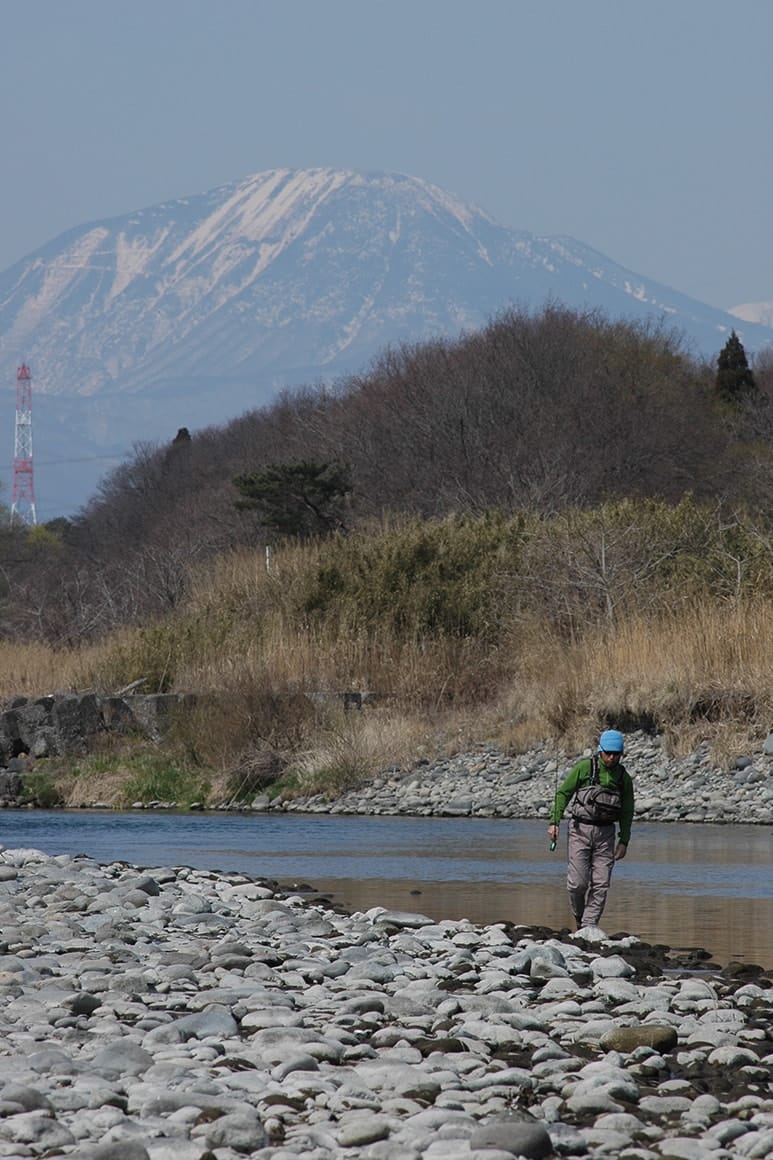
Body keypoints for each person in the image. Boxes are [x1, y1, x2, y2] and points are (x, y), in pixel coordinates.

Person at [547, 728, 634, 930]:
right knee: (578, 884)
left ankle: (588, 925)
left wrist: (624, 840)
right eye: (608, 753)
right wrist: (554, 822)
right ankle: (579, 917)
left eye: (616, 754)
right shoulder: (584, 768)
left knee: (601, 884)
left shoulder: (623, 778)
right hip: (579, 830)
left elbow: (628, 811)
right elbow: (563, 794)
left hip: (606, 835)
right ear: (600, 751)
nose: (612, 758)